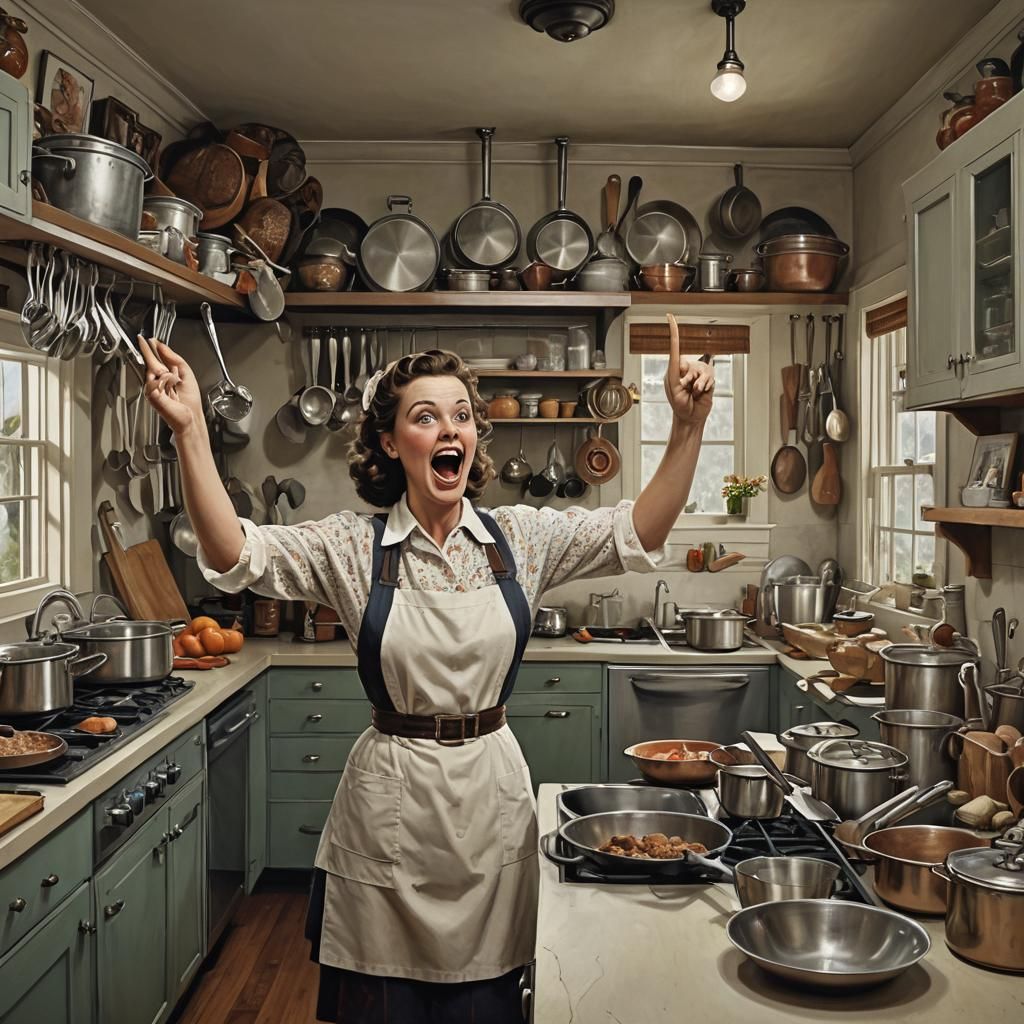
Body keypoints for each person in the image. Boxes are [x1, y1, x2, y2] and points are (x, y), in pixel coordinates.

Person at [140, 313, 713, 1023]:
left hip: (490, 799)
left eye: (462, 416)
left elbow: (640, 531)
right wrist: (191, 432)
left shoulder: (523, 539)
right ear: (390, 442)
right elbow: (233, 554)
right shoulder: (352, 547)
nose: (451, 430)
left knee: (490, 1005)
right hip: (390, 805)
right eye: (426, 417)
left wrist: (687, 429)